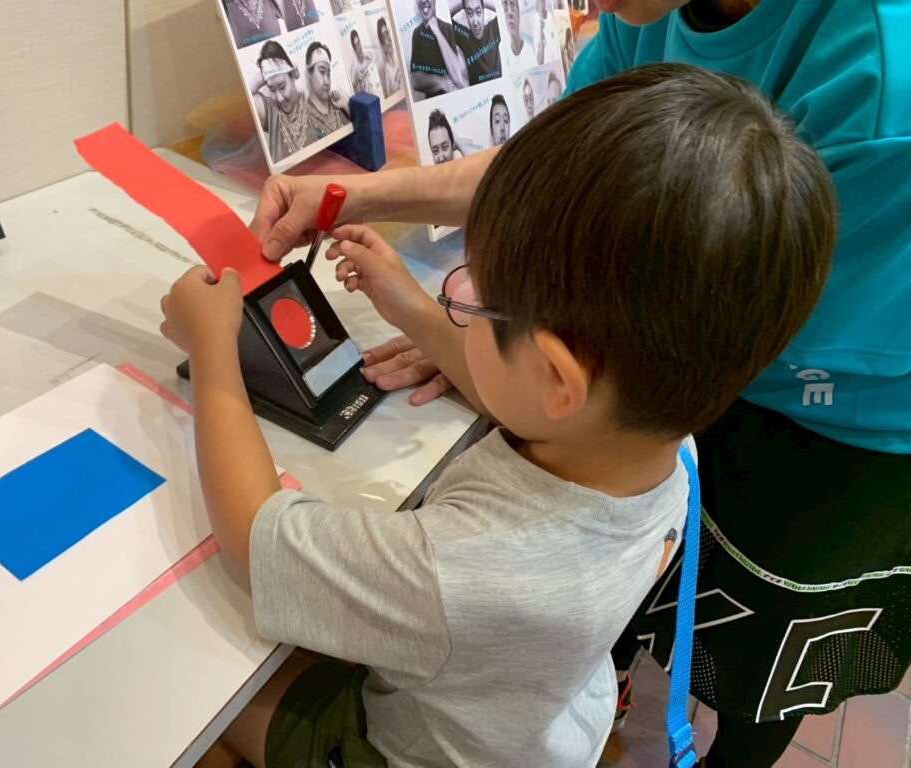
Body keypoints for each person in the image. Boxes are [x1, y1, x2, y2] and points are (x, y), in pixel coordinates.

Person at [248, 1, 911, 765]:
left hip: (834, 423)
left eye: (477, 300)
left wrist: (490, 358)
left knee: (760, 661)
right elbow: (557, 186)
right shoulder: (664, 445)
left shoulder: (466, 565)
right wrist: (474, 338)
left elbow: (261, 535)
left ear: (560, 373)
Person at [247, 40, 313, 163]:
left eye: (282, 87)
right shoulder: (271, 112)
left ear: (292, 75)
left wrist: (287, 64)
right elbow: (248, 92)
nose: (279, 98)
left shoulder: (310, 101)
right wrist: (266, 69)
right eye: (272, 89)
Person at [409, 0, 469, 99]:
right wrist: (442, 82)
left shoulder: (449, 29)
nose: (423, 1)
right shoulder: (417, 34)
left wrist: (437, 31)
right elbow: (415, 81)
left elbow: (460, 80)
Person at [305, 42, 351, 140]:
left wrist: (346, 105)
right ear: (309, 73)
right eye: (321, 72)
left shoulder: (337, 102)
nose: (326, 81)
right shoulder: (305, 117)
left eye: (328, 74)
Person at [451, 0, 503, 85]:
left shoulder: (493, 28)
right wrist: (463, 4)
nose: (475, 22)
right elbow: (445, 18)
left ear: (483, 11)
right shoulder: (465, 37)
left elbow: (504, 10)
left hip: (499, 86)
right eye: (470, 13)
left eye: (478, 12)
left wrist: (484, 2)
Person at [500, 0, 537, 72]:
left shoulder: (529, 52)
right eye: (505, 6)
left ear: (518, 15)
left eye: (512, 4)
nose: (509, 12)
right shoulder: (502, 50)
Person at [376, 18, 403, 97]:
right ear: (383, 46)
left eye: (387, 33)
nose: (388, 38)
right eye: (384, 36)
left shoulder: (398, 59)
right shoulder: (388, 72)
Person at [349, 29, 377, 95]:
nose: (360, 46)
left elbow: (373, 57)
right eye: (357, 44)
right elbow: (353, 85)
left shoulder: (366, 56)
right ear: (354, 48)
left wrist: (364, 55)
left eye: (359, 42)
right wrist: (358, 79)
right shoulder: (355, 66)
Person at [534, 0, 559, 65]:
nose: (541, 5)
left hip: (552, 49)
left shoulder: (549, 15)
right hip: (543, 51)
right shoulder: (536, 17)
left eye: (542, 2)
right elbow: (537, 39)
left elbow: (553, 35)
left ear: (545, 3)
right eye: (539, 3)